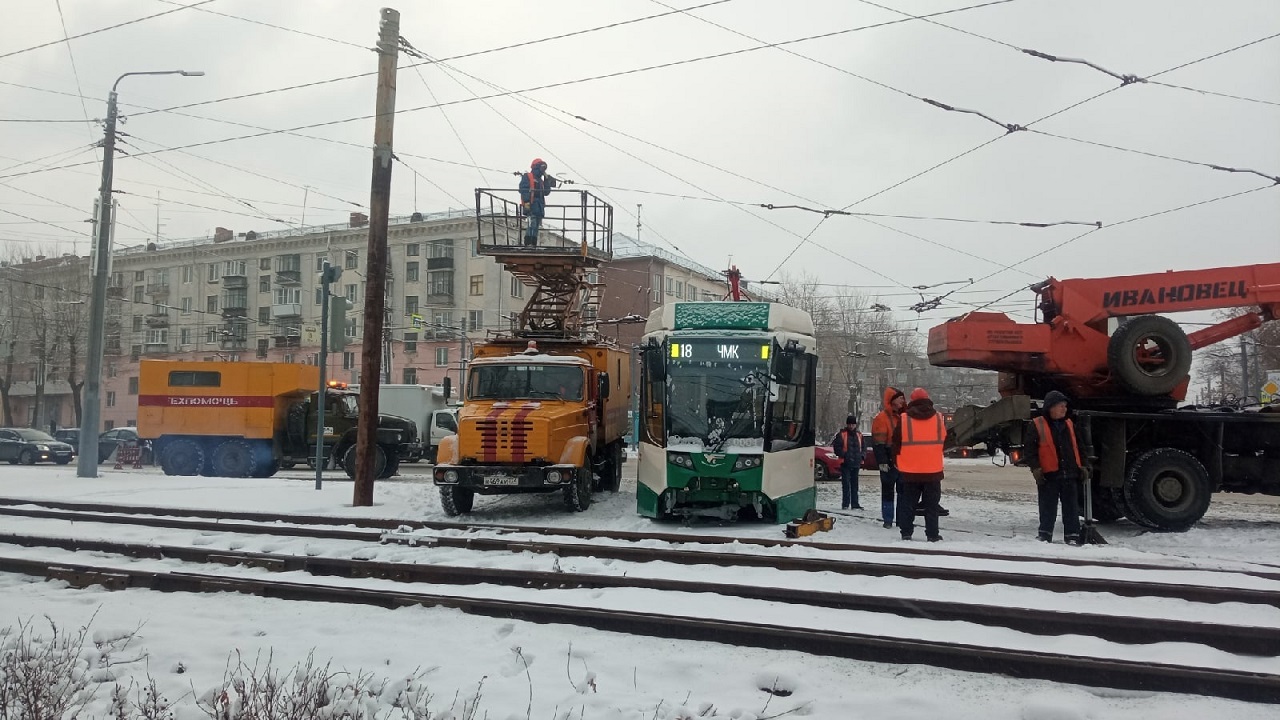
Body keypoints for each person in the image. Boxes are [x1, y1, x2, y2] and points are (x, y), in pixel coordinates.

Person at [1025, 390, 1085, 544]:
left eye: (1065, 406)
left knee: (1071, 507)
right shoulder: (1037, 424)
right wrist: (1036, 468)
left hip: (1069, 472)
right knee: (1047, 507)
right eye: (1061, 406)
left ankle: (1072, 535)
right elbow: (1030, 451)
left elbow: (1079, 447)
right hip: (1049, 474)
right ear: (1050, 407)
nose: (1064, 409)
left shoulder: (1069, 424)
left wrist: (1084, 466)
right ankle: (1045, 534)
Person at [892, 387, 945, 542]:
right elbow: (944, 440)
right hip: (933, 470)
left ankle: (906, 532)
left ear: (912, 401)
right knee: (932, 505)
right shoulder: (938, 418)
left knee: (908, 504)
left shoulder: (904, 419)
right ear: (928, 399)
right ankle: (932, 534)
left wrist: (896, 461)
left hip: (910, 471)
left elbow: (896, 443)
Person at [871, 387, 905, 528]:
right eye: (900, 397)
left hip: (902, 460)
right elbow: (878, 443)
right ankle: (888, 519)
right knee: (888, 491)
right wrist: (883, 461)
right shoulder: (882, 418)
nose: (903, 400)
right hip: (890, 460)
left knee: (903, 492)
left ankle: (901, 519)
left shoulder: (904, 416)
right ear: (892, 400)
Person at [518, 158, 557, 246]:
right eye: (542, 167)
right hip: (531, 203)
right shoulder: (528, 176)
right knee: (532, 223)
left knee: (536, 225)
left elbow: (546, 192)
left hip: (539, 206)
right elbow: (523, 189)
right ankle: (528, 243)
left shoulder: (541, 181)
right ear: (536, 167)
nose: (543, 170)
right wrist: (527, 203)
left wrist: (547, 181)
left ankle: (533, 243)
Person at [831, 415, 864, 510]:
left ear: (855, 425)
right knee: (846, 484)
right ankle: (845, 504)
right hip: (845, 463)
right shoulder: (842, 434)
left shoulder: (859, 435)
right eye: (850, 424)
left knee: (854, 485)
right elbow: (837, 448)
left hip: (856, 463)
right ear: (847, 424)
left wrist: (862, 456)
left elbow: (863, 447)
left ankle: (855, 503)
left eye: (853, 424)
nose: (851, 426)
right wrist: (845, 455)